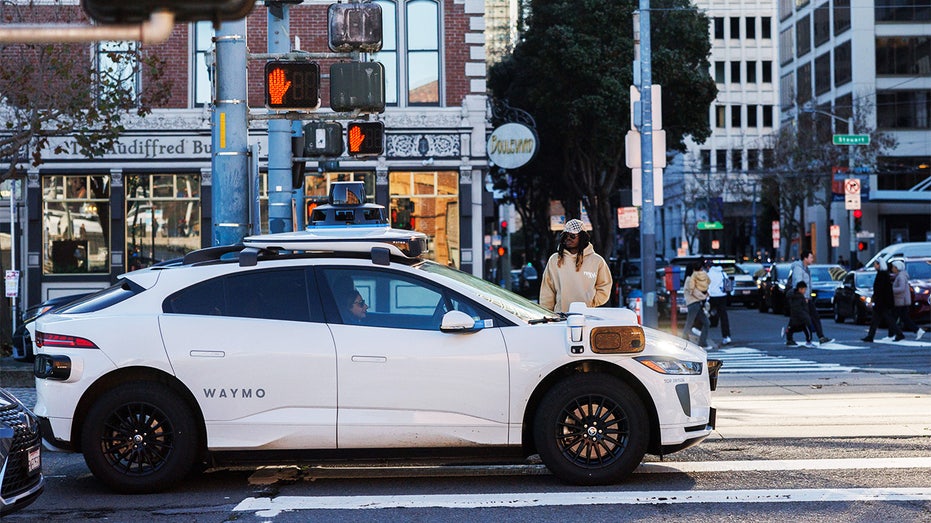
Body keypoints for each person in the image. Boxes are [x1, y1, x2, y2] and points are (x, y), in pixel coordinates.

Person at [539, 219, 612, 313]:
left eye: (572, 236)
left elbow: (604, 286)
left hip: (587, 315)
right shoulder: (555, 260)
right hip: (561, 316)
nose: (568, 238)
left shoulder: (597, 261)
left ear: (582, 237)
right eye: (565, 235)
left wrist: (591, 302)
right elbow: (547, 290)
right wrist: (547, 313)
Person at [789, 250, 834, 344]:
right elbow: (799, 283)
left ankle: (820, 337)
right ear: (805, 258)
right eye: (811, 257)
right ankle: (790, 335)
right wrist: (803, 296)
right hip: (801, 298)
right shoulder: (798, 268)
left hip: (806, 298)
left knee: (812, 317)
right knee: (800, 319)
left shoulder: (806, 268)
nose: (812, 259)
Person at [862, 259, 904, 342]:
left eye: (875, 264)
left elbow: (879, 290)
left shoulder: (882, 275)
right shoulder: (883, 274)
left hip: (882, 302)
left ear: (879, 265)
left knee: (887, 319)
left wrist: (873, 300)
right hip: (883, 302)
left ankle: (899, 334)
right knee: (878, 319)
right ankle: (870, 336)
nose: (874, 266)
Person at [891, 260, 925, 340]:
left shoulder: (901, 277)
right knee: (903, 318)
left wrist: (891, 290)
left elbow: (901, 288)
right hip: (902, 300)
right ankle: (916, 330)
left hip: (901, 301)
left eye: (893, 267)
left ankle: (895, 334)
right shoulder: (901, 275)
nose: (892, 269)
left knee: (897, 318)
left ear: (897, 268)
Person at [682, 260, 711, 349]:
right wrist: (704, 296)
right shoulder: (689, 279)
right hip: (693, 303)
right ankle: (685, 341)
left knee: (705, 322)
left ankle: (701, 342)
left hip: (695, 303)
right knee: (690, 323)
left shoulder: (691, 278)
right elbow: (694, 292)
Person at [706, 261, 731, 345]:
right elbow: (727, 283)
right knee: (724, 317)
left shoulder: (708, 274)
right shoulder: (722, 273)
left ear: (708, 267)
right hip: (722, 295)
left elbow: (707, 286)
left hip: (712, 296)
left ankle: (699, 331)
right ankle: (726, 336)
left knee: (705, 313)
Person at [785, 281, 813, 346]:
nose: (805, 291)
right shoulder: (799, 297)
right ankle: (808, 340)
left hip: (794, 317)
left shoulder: (794, 296)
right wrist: (806, 316)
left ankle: (789, 339)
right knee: (806, 328)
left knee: (792, 329)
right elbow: (799, 308)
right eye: (804, 289)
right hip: (801, 317)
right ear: (800, 289)